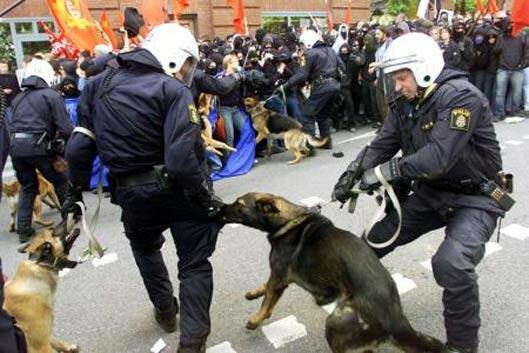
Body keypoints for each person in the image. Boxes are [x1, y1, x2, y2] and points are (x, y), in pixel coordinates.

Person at [332, 33, 510, 353]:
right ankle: (366, 315)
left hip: (475, 198)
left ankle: (462, 346)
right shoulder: (406, 103)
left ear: (424, 69)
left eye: (402, 77)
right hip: (431, 194)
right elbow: (382, 144)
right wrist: (352, 175)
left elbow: (438, 157)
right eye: (395, 79)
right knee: (366, 246)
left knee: (451, 263)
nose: (397, 86)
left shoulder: (460, 97)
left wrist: (388, 172)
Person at [64, 23, 223, 353]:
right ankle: (192, 344)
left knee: (146, 249)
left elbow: (79, 148)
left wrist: (72, 194)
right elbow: (181, 160)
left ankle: (166, 310)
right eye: (188, 63)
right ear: (173, 57)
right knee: (194, 265)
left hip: (132, 195)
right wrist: (205, 195)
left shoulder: (96, 86)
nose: (188, 71)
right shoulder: (173, 90)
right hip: (181, 192)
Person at [9, 58, 72, 243]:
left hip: (17, 148)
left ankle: (23, 229)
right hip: (39, 146)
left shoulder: (18, 97)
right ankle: (68, 219)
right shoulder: (51, 95)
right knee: (60, 180)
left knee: (28, 186)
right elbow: (66, 127)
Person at [279, 29, 344, 148]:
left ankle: (309, 146)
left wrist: (286, 85)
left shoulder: (310, 54)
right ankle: (326, 142)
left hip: (322, 86)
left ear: (308, 42)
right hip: (334, 86)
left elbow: (302, 74)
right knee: (323, 115)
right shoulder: (330, 50)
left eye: (302, 44)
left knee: (307, 115)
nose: (302, 47)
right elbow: (342, 67)